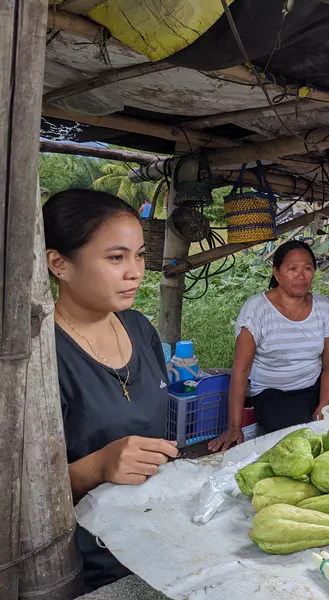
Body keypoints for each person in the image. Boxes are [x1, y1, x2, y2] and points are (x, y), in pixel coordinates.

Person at [44, 189, 178, 592]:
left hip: (161, 532)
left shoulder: (139, 327)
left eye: (138, 255)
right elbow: (16, 489)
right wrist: (98, 467)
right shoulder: (39, 356)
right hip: (85, 560)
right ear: (59, 263)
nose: (135, 271)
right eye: (116, 258)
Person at [209, 240, 329, 451]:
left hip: (316, 388)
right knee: (305, 444)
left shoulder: (323, 308)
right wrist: (234, 426)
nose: (301, 275)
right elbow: (241, 369)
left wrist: (324, 406)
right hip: (273, 395)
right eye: (292, 269)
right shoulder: (257, 309)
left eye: (308, 268)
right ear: (277, 273)